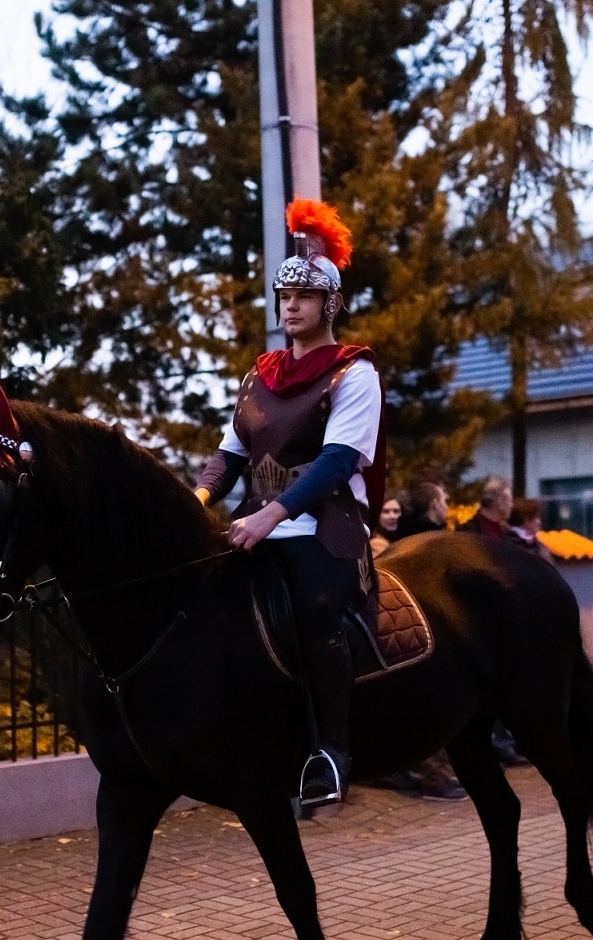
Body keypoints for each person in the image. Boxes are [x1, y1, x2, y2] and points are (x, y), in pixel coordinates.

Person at [193, 198, 383, 809]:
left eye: (303, 297)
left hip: (324, 531)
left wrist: (272, 515)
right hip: (254, 527)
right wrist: (198, 499)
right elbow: (231, 457)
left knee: (314, 614)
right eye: (284, 297)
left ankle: (332, 753)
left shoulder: (354, 374)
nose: (290, 306)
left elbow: (336, 463)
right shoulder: (259, 377)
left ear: (328, 304)